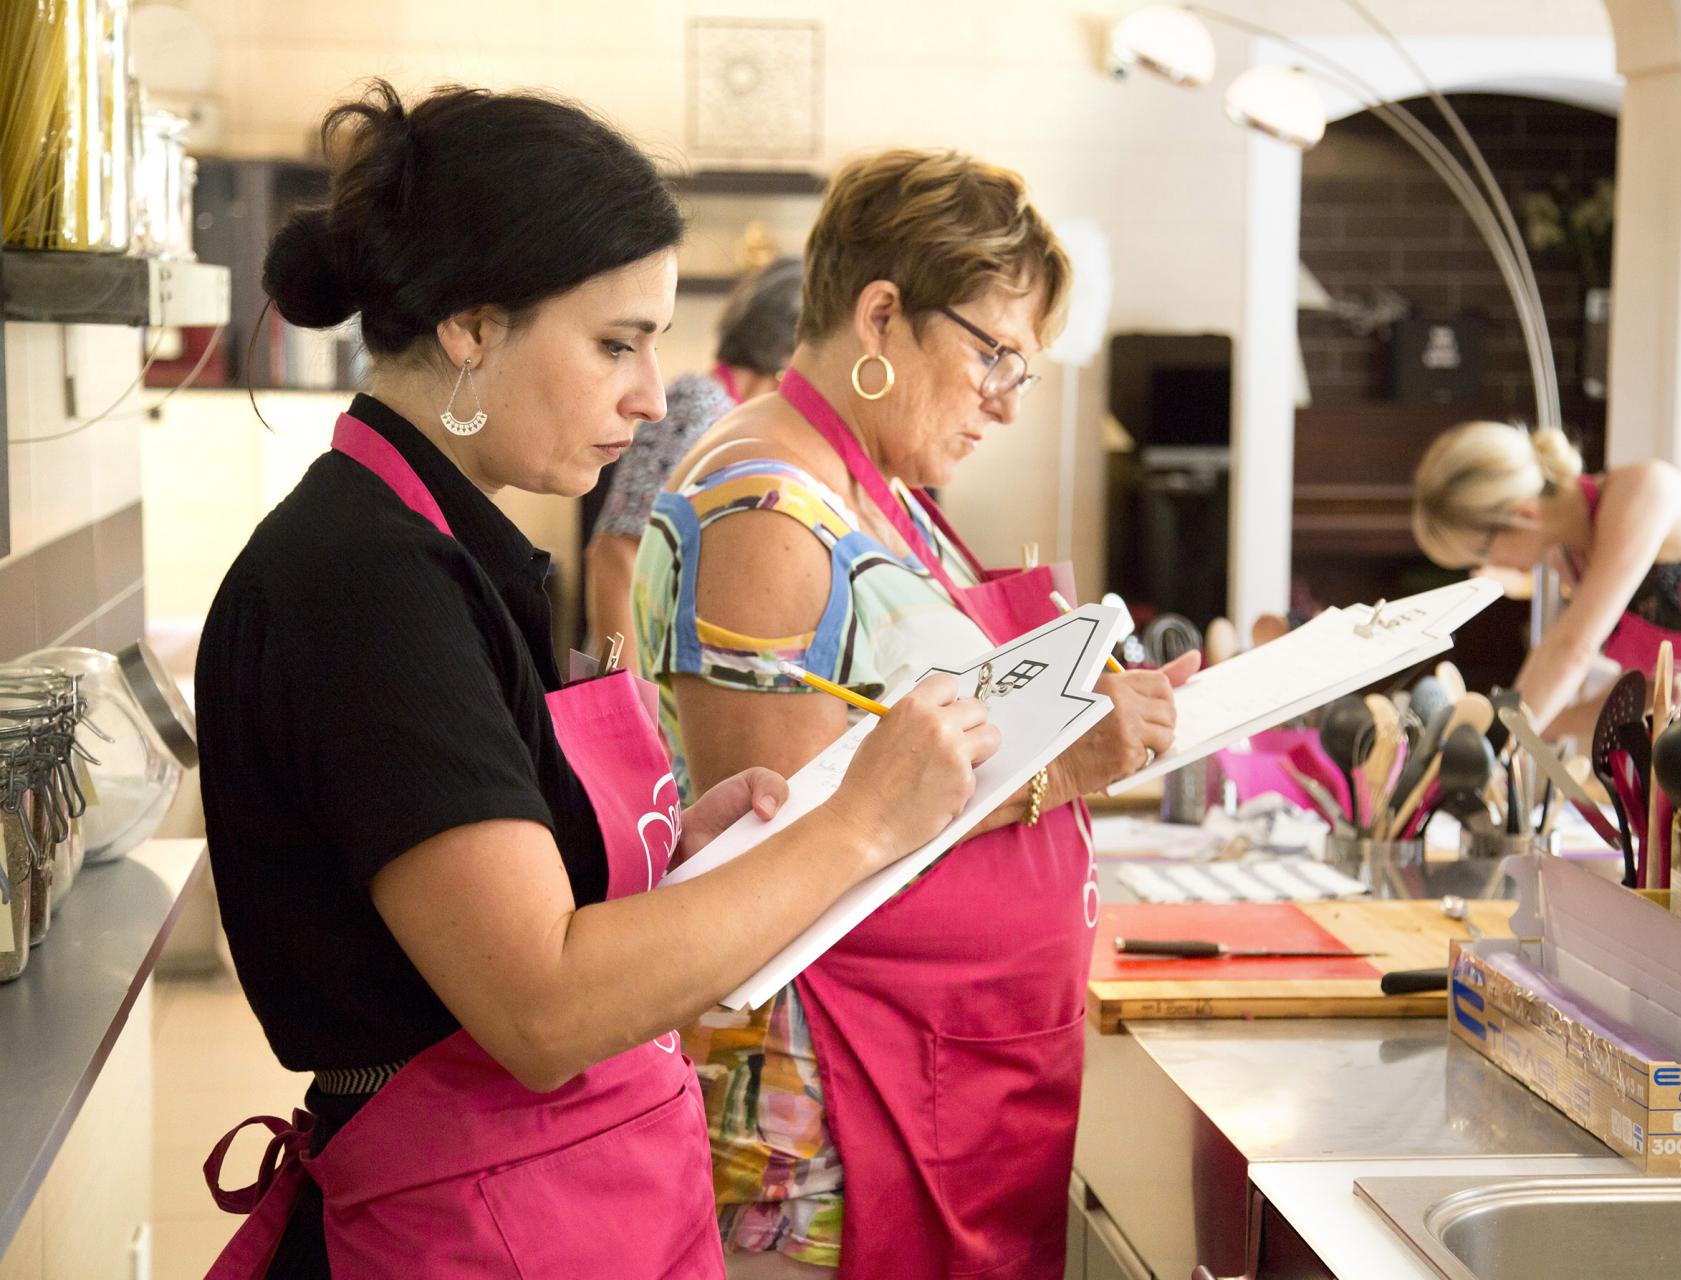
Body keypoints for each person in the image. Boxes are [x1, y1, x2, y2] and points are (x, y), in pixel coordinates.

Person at [191, 84, 999, 1280]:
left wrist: (665, 859)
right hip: (468, 1222)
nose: (652, 393)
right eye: (617, 343)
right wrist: (864, 823)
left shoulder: (449, 548)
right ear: (471, 326)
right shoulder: (365, 585)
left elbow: (490, 903)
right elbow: (542, 1006)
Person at [632, 149, 1199, 1280]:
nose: (1008, 400)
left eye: (1023, 369)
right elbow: (781, 863)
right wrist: (1062, 761)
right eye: (994, 354)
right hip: (821, 1139)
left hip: (933, 1082)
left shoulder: (876, 488)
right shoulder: (763, 516)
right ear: (882, 314)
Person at [1411, 420, 1681, 749]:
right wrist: (1536, 725)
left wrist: (1494, 744)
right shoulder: (1573, 556)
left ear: (1524, 514)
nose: (1489, 567)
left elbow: (1571, 649)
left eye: (1482, 552)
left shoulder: (1644, 491)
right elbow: (1647, 689)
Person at [585, 258, 803, 665]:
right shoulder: (698, 403)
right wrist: (628, 694)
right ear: (787, 353)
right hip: (644, 672)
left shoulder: (733, 414)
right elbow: (617, 552)